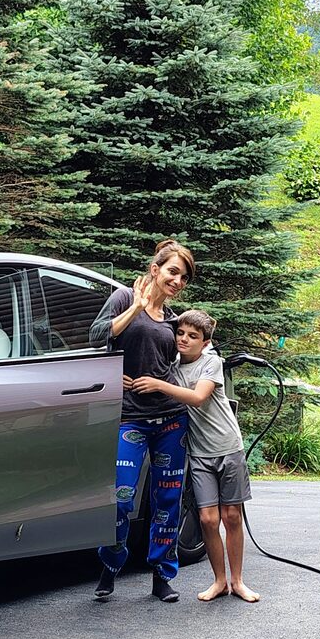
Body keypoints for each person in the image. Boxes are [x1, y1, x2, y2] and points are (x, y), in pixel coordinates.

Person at [89, 239, 195, 602]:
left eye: (184, 277)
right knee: (121, 497)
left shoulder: (174, 322)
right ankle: (111, 564)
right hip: (129, 418)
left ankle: (162, 576)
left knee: (167, 501)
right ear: (155, 269)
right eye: (173, 272)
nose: (178, 281)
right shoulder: (122, 298)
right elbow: (96, 335)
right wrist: (136, 307)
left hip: (169, 420)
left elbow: (194, 360)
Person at [126, 309, 256, 603]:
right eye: (180, 333)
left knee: (231, 516)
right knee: (208, 519)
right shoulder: (172, 366)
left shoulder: (211, 363)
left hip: (227, 447)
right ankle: (219, 581)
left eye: (193, 336)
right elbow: (145, 370)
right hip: (199, 453)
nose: (184, 339)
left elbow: (198, 397)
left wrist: (158, 384)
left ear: (205, 341)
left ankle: (238, 581)